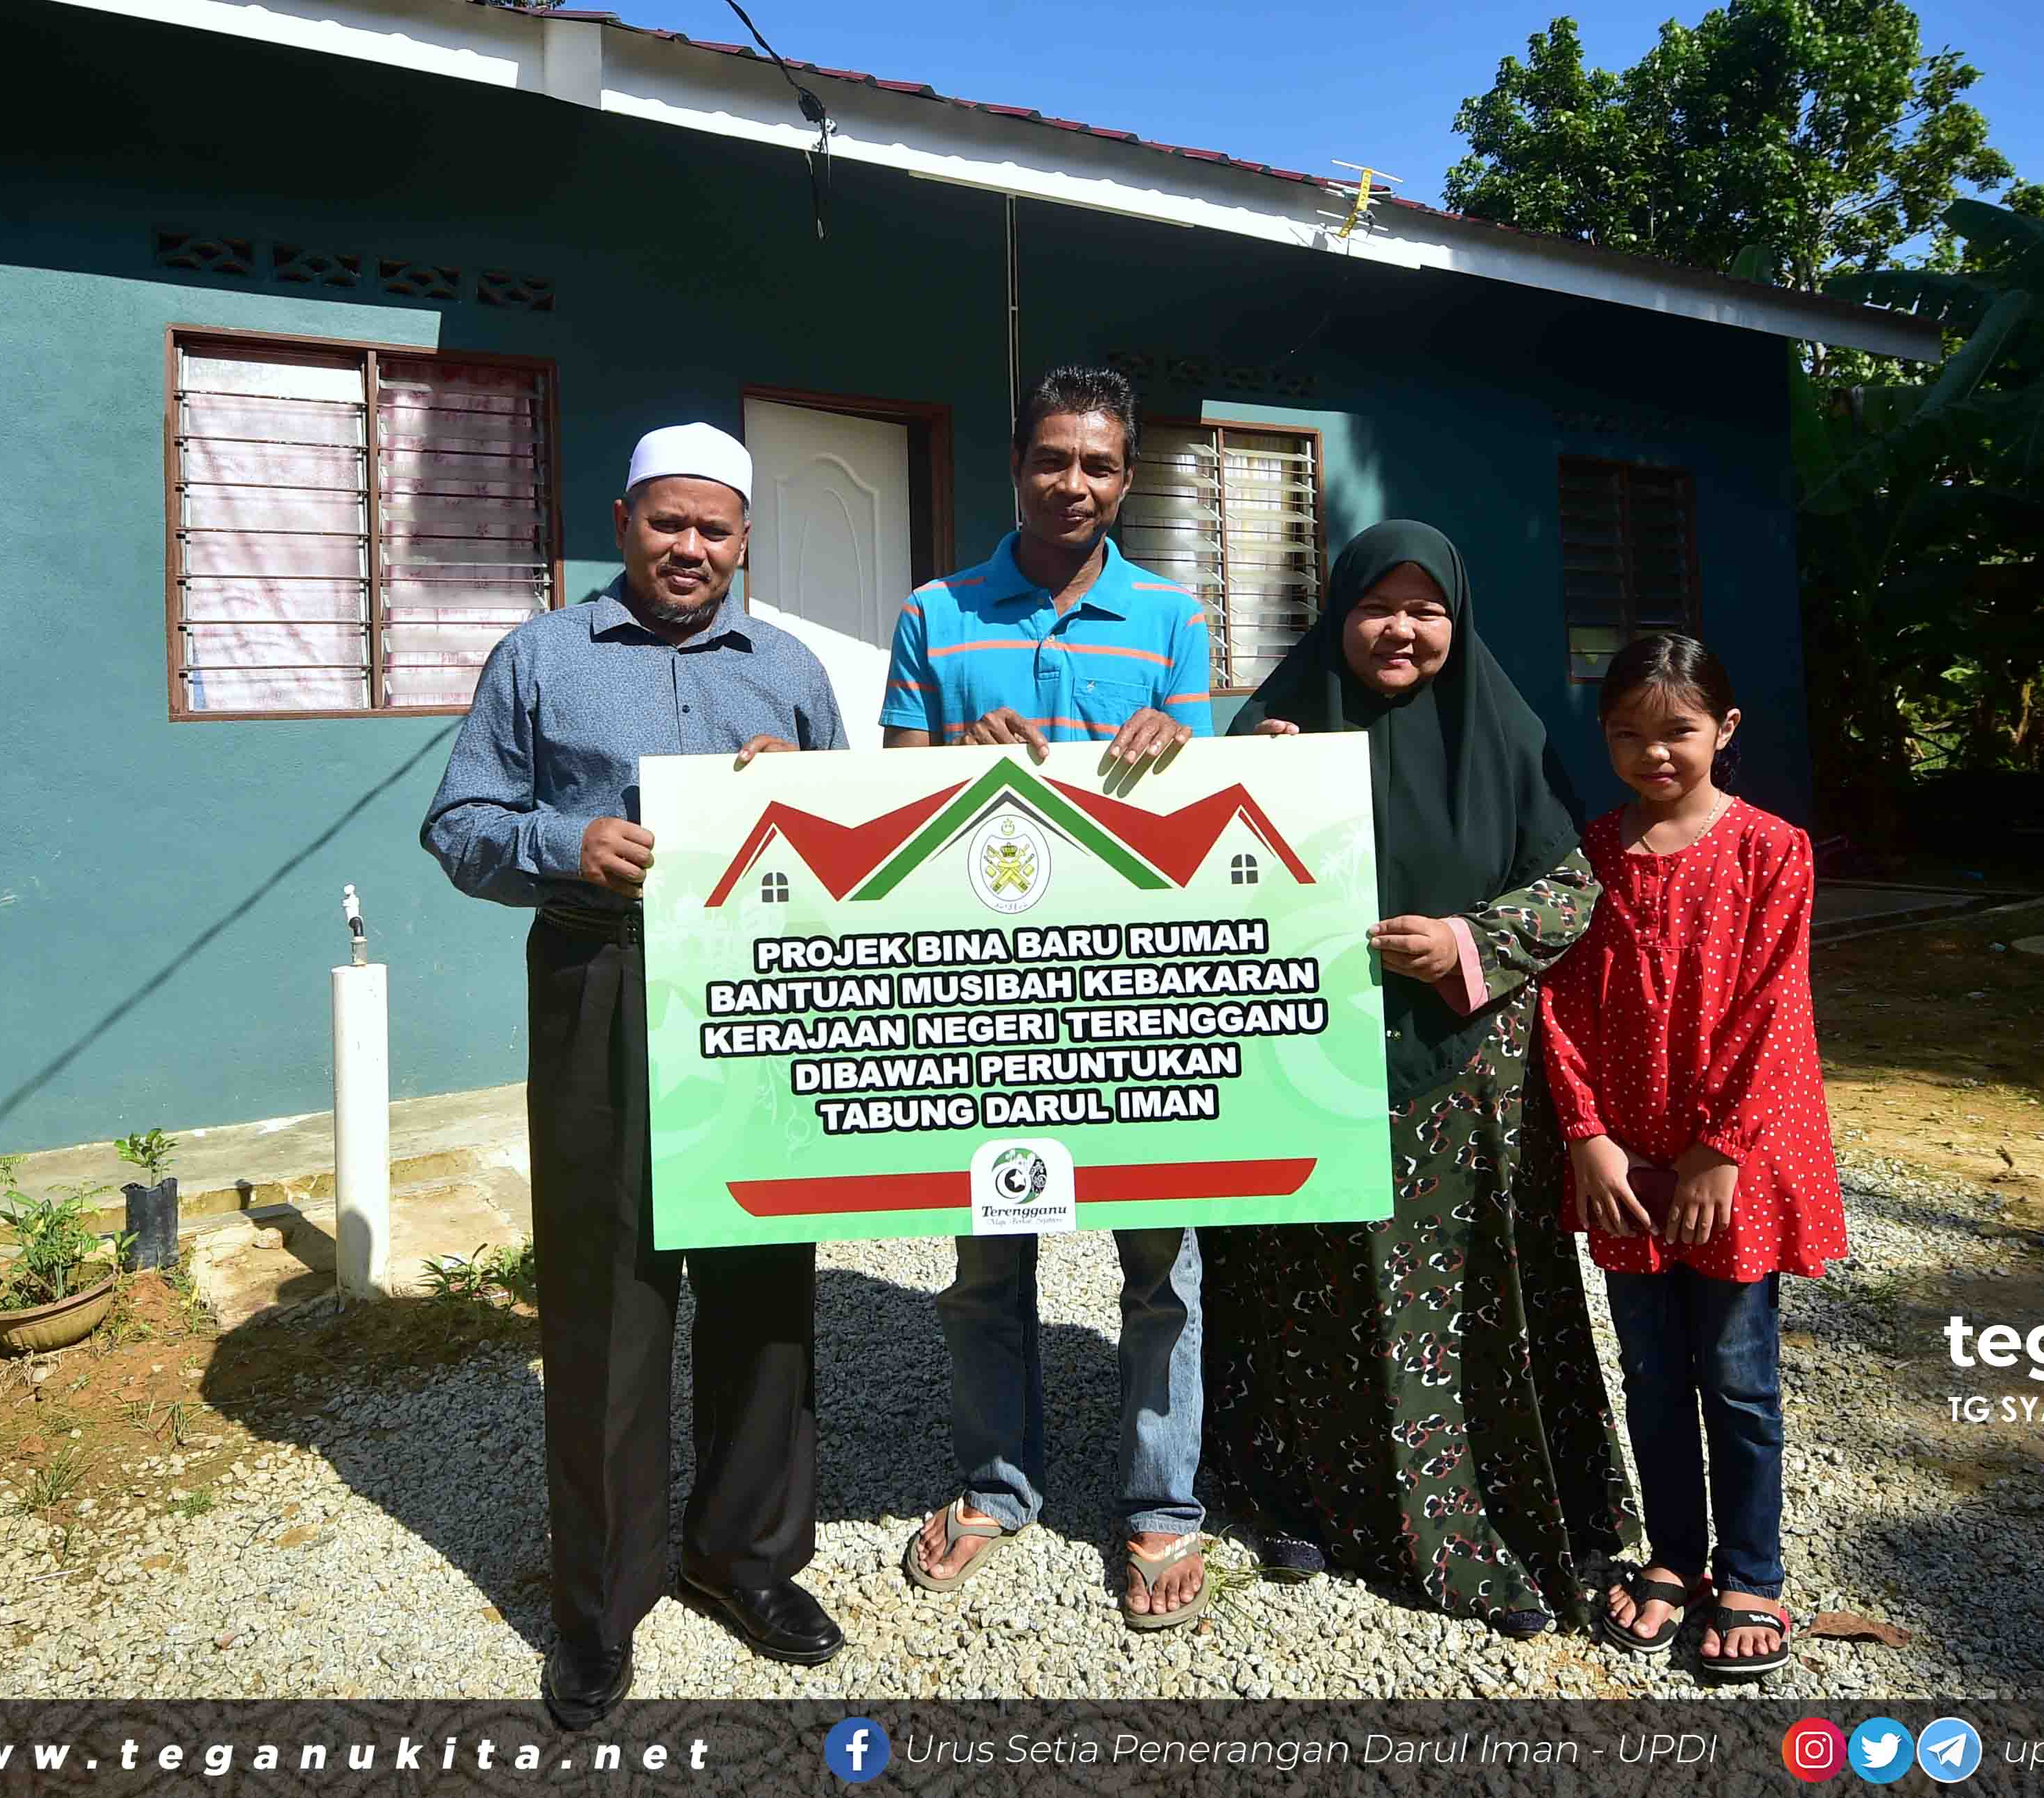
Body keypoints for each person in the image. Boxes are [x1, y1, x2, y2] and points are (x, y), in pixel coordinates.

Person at [420, 422, 850, 1727]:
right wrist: (566, 842)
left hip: (767, 992)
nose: (691, 548)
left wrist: (815, 796)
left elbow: (858, 845)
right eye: (669, 523)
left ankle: (746, 1558)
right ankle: (601, 1605)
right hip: (601, 978)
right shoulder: (540, 658)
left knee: (766, 1274)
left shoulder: (791, 669)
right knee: (609, 1292)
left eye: (715, 529)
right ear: (624, 522)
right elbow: (458, 826)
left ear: (744, 541)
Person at [1200, 519, 1638, 1632]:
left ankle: (1466, 1510)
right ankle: (1300, 1500)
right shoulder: (1275, 720)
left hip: (1462, 1081)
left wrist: (1466, 944)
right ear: (1338, 615)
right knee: (1299, 1290)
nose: (1400, 630)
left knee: (1456, 1302)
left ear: (1456, 618)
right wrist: (1244, 777)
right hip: (1302, 1062)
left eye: (1424, 609)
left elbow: (1571, 889)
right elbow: (1192, 876)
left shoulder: (1506, 730)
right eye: (1375, 608)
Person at [883, 364, 1219, 1630]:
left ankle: (1160, 1507)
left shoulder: (1174, 622)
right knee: (984, 1261)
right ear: (1014, 464)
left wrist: (1180, 748)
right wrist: (945, 766)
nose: (1072, 482)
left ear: (1127, 479)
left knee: (1163, 1266)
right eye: (1052, 457)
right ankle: (995, 1485)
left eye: (1099, 463)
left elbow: (1196, 799)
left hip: (1142, 1001)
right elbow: (893, 800)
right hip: (986, 998)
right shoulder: (935, 613)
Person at [1539, 631, 1845, 1680]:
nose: (1654, 753)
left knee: (1738, 1373)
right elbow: (1562, 1005)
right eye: (1628, 734)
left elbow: (1774, 1007)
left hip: (1736, 1162)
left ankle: (1752, 1571)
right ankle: (1673, 1558)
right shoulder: (1591, 853)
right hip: (1626, 1161)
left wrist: (1720, 1151)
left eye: (1678, 730)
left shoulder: (1774, 850)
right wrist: (1587, 1135)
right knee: (1654, 1372)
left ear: (1726, 729)